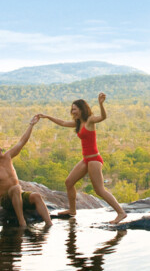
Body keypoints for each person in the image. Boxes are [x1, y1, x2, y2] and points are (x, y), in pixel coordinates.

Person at [37, 92, 127, 224]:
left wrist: (101, 104)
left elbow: (103, 117)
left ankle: (121, 213)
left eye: (74, 109)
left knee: (99, 190)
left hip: (94, 160)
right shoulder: (78, 123)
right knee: (69, 182)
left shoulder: (90, 120)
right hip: (86, 160)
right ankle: (72, 210)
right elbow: (62, 122)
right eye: (71, 109)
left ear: (81, 109)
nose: (72, 112)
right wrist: (47, 116)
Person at [0, 115, 53, 227]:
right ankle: (22, 222)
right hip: (6, 200)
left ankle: (49, 224)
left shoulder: (8, 157)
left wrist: (31, 125)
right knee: (15, 188)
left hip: (20, 195)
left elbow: (21, 142)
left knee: (36, 195)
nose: (0, 149)